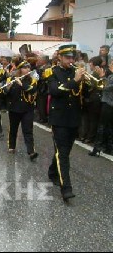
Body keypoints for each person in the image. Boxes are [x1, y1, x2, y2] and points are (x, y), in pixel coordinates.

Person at [47, 44, 88, 202]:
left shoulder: (76, 72)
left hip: (74, 118)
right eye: (67, 57)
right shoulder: (52, 72)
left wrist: (86, 81)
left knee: (63, 151)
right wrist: (76, 81)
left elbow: (82, 94)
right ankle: (66, 188)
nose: (71, 60)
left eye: (72, 57)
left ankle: (52, 172)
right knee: (63, 153)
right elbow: (55, 91)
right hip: (59, 118)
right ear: (60, 58)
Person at [4, 59, 39, 161]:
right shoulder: (11, 78)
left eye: (28, 67)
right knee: (13, 129)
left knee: (28, 130)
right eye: (24, 68)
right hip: (14, 108)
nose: (27, 69)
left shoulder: (32, 79)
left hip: (27, 108)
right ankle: (11, 146)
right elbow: (5, 93)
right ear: (19, 69)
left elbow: (33, 90)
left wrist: (21, 84)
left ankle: (31, 151)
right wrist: (9, 86)